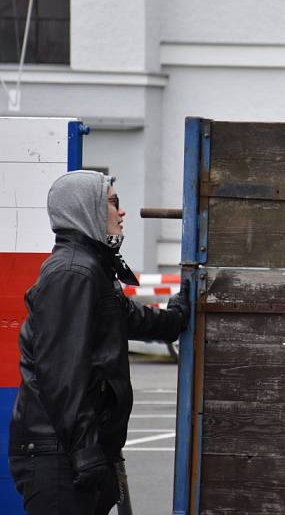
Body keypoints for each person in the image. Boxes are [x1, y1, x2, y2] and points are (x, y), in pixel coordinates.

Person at [7, 171, 190, 515]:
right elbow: (60, 374)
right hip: (60, 455)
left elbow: (129, 318)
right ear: (85, 209)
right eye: (112, 203)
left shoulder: (91, 267)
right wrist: (86, 454)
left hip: (72, 451)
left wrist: (177, 317)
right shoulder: (73, 273)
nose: (121, 213)